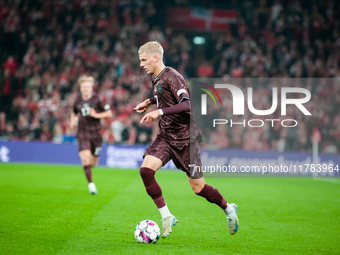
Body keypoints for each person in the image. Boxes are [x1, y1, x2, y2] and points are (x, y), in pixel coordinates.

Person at [134, 41, 239, 238]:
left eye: (144, 60)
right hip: (166, 136)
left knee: (198, 188)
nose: (141, 64)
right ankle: (166, 217)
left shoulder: (173, 77)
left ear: (156, 57)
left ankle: (228, 208)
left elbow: (186, 105)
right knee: (146, 171)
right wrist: (149, 102)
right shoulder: (155, 77)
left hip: (186, 139)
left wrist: (158, 112)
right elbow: (163, 96)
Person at [70, 76, 112, 194]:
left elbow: (109, 113)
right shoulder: (77, 101)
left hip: (96, 134)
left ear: (91, 88)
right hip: (82, 133)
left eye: (88, 87)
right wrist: (72, 120)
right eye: (83, 87)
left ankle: (89, 168)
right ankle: (91, 185)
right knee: (85, 158)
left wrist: (96, 115)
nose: (86, 89)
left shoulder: (97, 99)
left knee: (93, 162)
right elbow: (73, 113)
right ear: (80, 88)